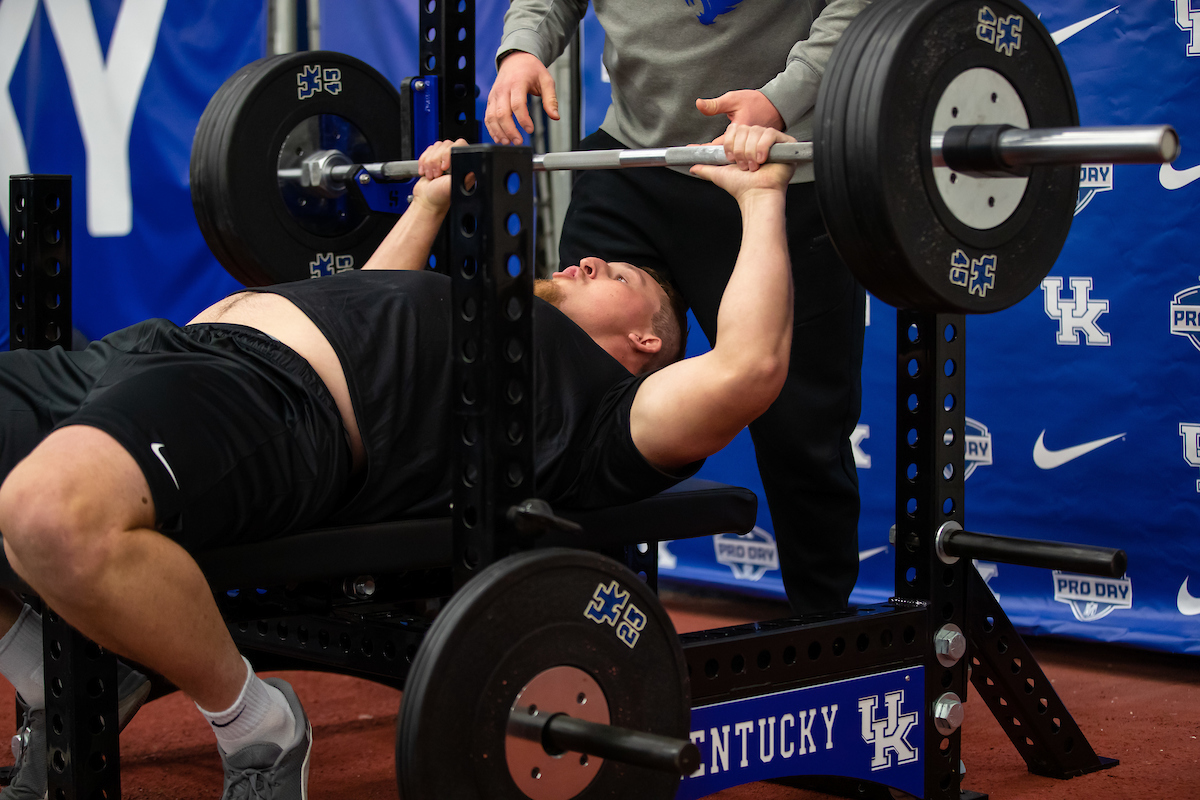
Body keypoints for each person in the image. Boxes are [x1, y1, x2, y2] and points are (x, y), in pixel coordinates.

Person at [0, 128, 796, 799]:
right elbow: (374, 290)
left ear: (648, 345)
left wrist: (759, 199)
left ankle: (256, 725)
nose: (587, 261)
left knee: (49, 513)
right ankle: (57, 668)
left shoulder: (606, 410)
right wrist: (430, 202)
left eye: (616, 275)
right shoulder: (482, 310)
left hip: (271, 398)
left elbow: (748, 367)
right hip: (158, 351)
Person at [486, 0, 872, 616]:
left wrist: (783, 97)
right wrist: (523, 48)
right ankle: (597, 630)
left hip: (771, 160)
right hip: (634, 164)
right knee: (579, 400)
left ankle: (826, 640)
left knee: (802, 430)